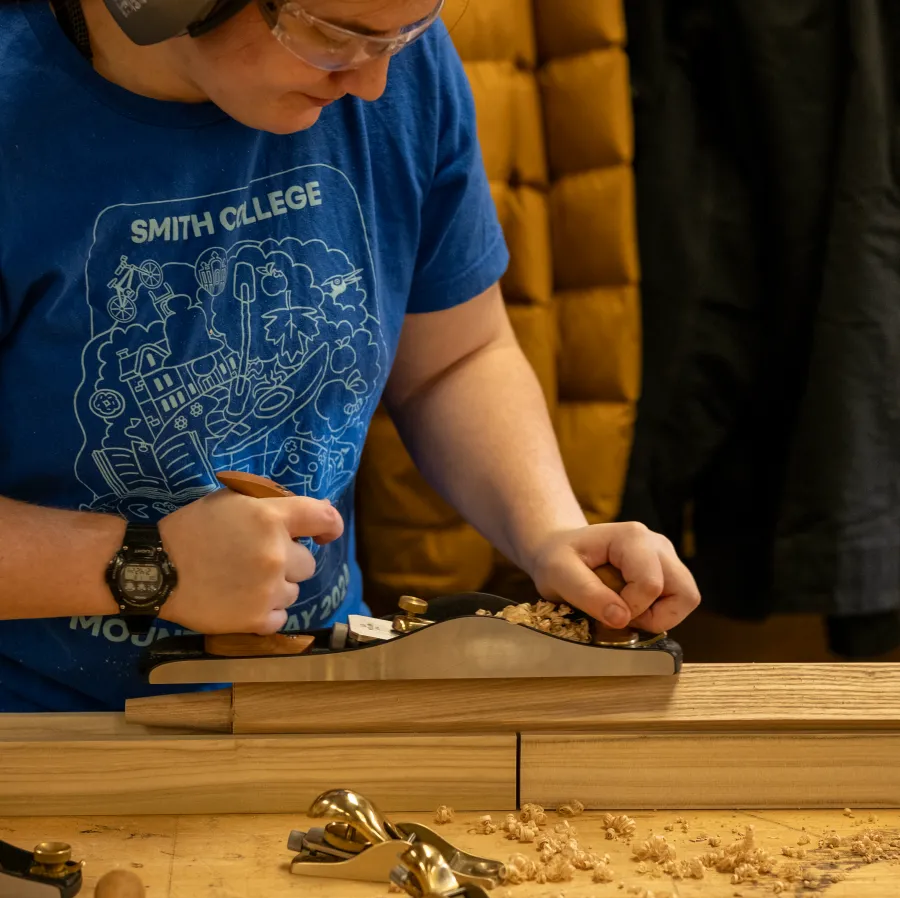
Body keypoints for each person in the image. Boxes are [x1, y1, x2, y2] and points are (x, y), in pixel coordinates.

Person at [0, 0, 701, 713]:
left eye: (405, 32)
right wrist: (144, 564)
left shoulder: (394, 67)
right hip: (37, 737)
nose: (372, 84)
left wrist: (551, 530)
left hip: (315, 697)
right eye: (332, 36)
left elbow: (455, 358)